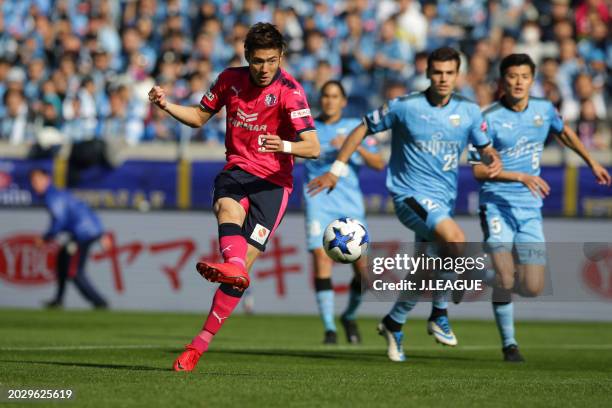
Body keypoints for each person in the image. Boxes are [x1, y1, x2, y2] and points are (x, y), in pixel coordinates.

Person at [308, 47, 502, 362]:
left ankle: (394, 321)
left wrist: (493, 159)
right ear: (427, 73)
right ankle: (443, 309)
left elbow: (485, 149)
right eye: (437, 72)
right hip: (408, 195)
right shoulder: (404, 107)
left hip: (442, 200)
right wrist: (336, 169)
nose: (442, 78)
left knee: (425, 270)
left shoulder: (469, 111)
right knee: (456, 241)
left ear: (458, 75)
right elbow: (362, 127)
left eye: (449, 73)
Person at [148, 22, 320, 372]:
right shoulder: (229, 79)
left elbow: (313, 147)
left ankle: (201, 341)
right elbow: (198, 117)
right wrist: (166, 105)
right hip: (238, 171)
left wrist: (284, 144)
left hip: (273, 185)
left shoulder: (291, 92)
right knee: (225, 207)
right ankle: (233, 271)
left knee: (238, 275)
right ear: (246, 56)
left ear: (281, 57)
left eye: (271, 60)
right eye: (258, 61)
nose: (264, 68)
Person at [468, 53, 611, 362]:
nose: (518, 82)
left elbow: (564, 133)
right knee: (507, 279)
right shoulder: (487, 118)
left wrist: (591, 161)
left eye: (524, 77)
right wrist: (518, 175)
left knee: (532, 287)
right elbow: (477, 170)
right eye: (512, 77)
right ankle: (509, 344)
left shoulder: (544, 110)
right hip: (496, 205)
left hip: (530, 209)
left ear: (532, 81)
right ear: (502, 82)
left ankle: (483, 276)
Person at [305, 80, 385, 344]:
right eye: (325, 95)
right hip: (318, 202)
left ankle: (348, 315)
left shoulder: (355, 129)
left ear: (343, 101)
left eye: (334, 96)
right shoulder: (307, 129)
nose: (329, 100)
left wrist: (353, 146)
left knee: (364, 272)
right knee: (321, 259)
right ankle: (329, 329)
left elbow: (378, 163)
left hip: (350, 208)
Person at [30, 168, 109, 309]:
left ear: (47, 179)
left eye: (37, 180)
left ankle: (99, 302)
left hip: (83, 234)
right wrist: (101, 233)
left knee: (74, 271)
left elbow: (59, 220)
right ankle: (58, 300)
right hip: (84, 232)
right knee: (62, 261)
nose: (35, 184)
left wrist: (46, 237)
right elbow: (84, 210)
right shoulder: (57, 194)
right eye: (33, 181)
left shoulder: (52, 196)